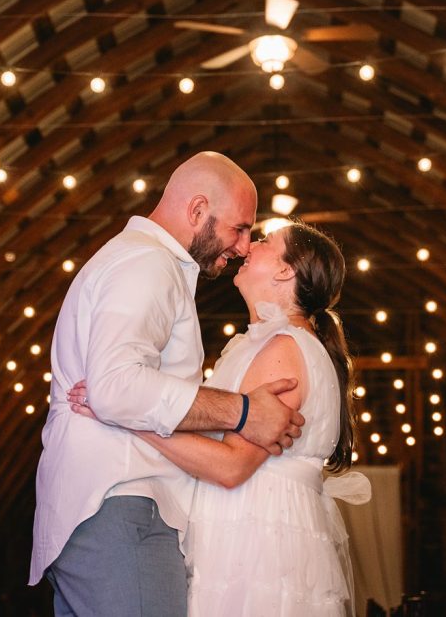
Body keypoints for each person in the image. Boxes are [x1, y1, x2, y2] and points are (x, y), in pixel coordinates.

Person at [28, 151, 306, 617]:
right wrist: (242, 412)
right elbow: (115, 386)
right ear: (197, 210)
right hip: (123, 508)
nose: (242, 246)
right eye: (238, 228)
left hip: (111, 512)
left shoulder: (144, 262)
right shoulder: (147, 264)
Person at [69, 221, 371, 616]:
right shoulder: (271, 343)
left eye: (265, 242)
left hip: (255, 540)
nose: (249, 248)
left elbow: (230, 466)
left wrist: (126, 416)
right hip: (256, 528)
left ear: (286, 271)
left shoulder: (284, 349)